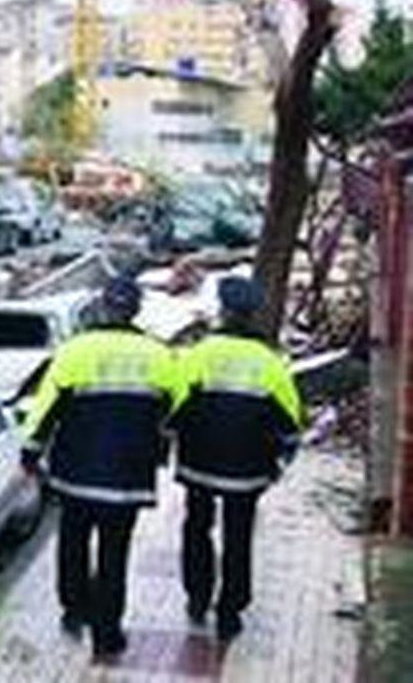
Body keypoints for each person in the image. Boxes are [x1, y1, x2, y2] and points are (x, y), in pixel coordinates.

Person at [22, 275, 184, 659]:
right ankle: (107, 634)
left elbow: (45, 409)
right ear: (136, 310)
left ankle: (74, 609)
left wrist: (30, 452)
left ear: (103, 307)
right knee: (115, 553)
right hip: (128, 477)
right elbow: (179, 410)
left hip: (76, 473)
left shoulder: (75, 350)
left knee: (73, 543)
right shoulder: (159, 355)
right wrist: (159, 444)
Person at [171, 275, 304, 642]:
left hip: (198, 464)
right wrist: (280, 460)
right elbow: (290, 422)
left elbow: (174, 410)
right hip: (247, 469)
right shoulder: (270, 362)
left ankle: (198, 597)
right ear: (251, 317)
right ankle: (230, 610)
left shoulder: (198, 355)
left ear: (223, 312)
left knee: (197, 527)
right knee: (238, 535)